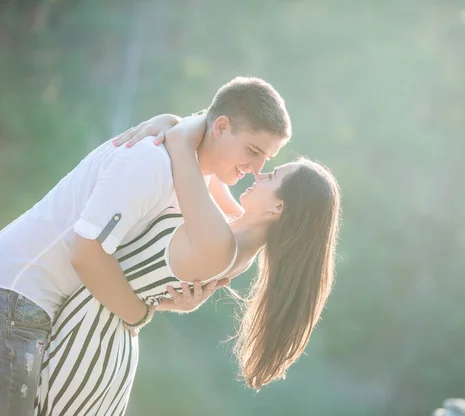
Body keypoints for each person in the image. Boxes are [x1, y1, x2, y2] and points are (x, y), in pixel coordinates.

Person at [0, 76, 291, 415]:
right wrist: (139, 314)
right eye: (253, 151)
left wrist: (174, 301)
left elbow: (238, 223)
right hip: (15, 298)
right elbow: (86, 252)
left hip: (37, 310)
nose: (257, 169)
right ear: (222, 127)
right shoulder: (151, 161)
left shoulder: (191, 177)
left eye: (266, 159)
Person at [34, 114, 341, 415]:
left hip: (87, 340)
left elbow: (183, 145)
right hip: (105, 337)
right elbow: (211, 161)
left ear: (278, 207)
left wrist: (170, 120)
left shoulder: (220, 241)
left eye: (271, 177)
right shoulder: (237, 237)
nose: (259, 174)